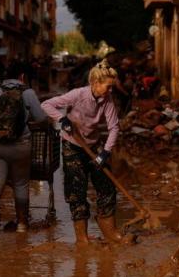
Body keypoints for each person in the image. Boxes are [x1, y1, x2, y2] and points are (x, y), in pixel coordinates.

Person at [41, 59, 123, 244]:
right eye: (108, 87)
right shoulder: (78, 95)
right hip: (72, 144)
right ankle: (82, 238)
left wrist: (106, 152)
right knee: (77, 190)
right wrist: (62, 120)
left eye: (112, 87)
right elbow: (46, 105)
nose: (110, 91)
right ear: (95, 83)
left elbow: (114, 127)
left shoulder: (107, 100)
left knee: (106, 185)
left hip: (93, 145)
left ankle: (109, 230)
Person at [0, 61, 48, 238]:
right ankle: (22, 225)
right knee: (20, 184)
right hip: (19, 147)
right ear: (23, 76)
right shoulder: (28, 92)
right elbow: (41, 118)